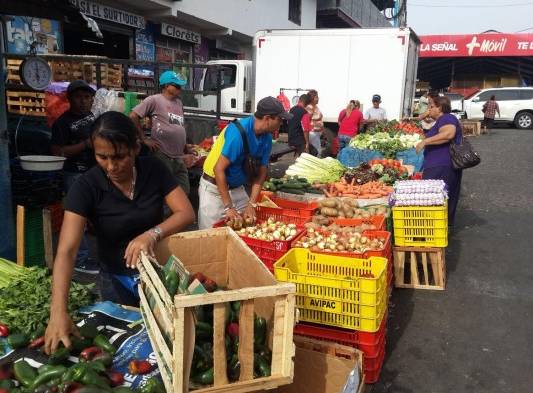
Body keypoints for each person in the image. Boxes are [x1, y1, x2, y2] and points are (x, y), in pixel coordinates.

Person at [44, 111, 195, 354]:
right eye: (102, 157)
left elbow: (186, 213)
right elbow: (67, 251)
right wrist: (57, 311)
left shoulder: (153, 169)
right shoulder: (86, 187)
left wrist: (152, 234)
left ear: (135, 148)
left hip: (155, 274)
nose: (111, 166)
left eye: (120, 157)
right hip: (114, 280)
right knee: (125, 345)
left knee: (167, 341)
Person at [198, 97, 292, 230]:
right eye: (279, 119)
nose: (282, 123)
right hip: (215, 191)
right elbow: (218, 169)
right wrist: (228, 207)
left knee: (248, 229)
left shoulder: (266, 137)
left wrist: (252, 204)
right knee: (210, 237)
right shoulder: (238, 133)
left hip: (237, 189)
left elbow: (262, 172)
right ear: (267, 118)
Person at [50, 80, 98, 274]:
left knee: (96, 215)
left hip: (94, 173)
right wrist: (85, 144)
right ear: (69, 99)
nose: (83, 101)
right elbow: (57, 152)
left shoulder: (93, 118)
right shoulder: (62, 123)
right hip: (74, 175)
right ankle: (79, 259)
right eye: (79, 97)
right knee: (78, 219)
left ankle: (93, 255)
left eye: (87, 97)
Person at [130, 70, 197, 195]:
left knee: (183, 191)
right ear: (166, 86)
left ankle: (176, 212)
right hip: (162, 154)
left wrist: (185, 147)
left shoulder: (178, 102)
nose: (180, 89)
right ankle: (164, 214)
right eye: (177, 86)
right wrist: (144, 138)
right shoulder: (154, 100)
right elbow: (133, 116)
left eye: (180, 86)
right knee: (163, 191)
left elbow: (178, 125)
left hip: (178, 156)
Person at [415, 96, 463, 227]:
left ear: (440, 108)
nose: (429, 109)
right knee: (442, 199)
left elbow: (448, 134)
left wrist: (425, 141)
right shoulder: (442, 119)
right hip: (441, 165)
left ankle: (435, 229)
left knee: (434, 199)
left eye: (432, 106)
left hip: (441, 166)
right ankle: (439, 229)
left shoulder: (447, 118)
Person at [305, 89, 324, 157]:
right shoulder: (309, 107)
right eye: (316, 97)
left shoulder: (315, 107)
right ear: (312, 98)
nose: (318, 98)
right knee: (316, 152)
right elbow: (307, 121)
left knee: (317, 151)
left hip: (316, 134)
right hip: (312, 134)